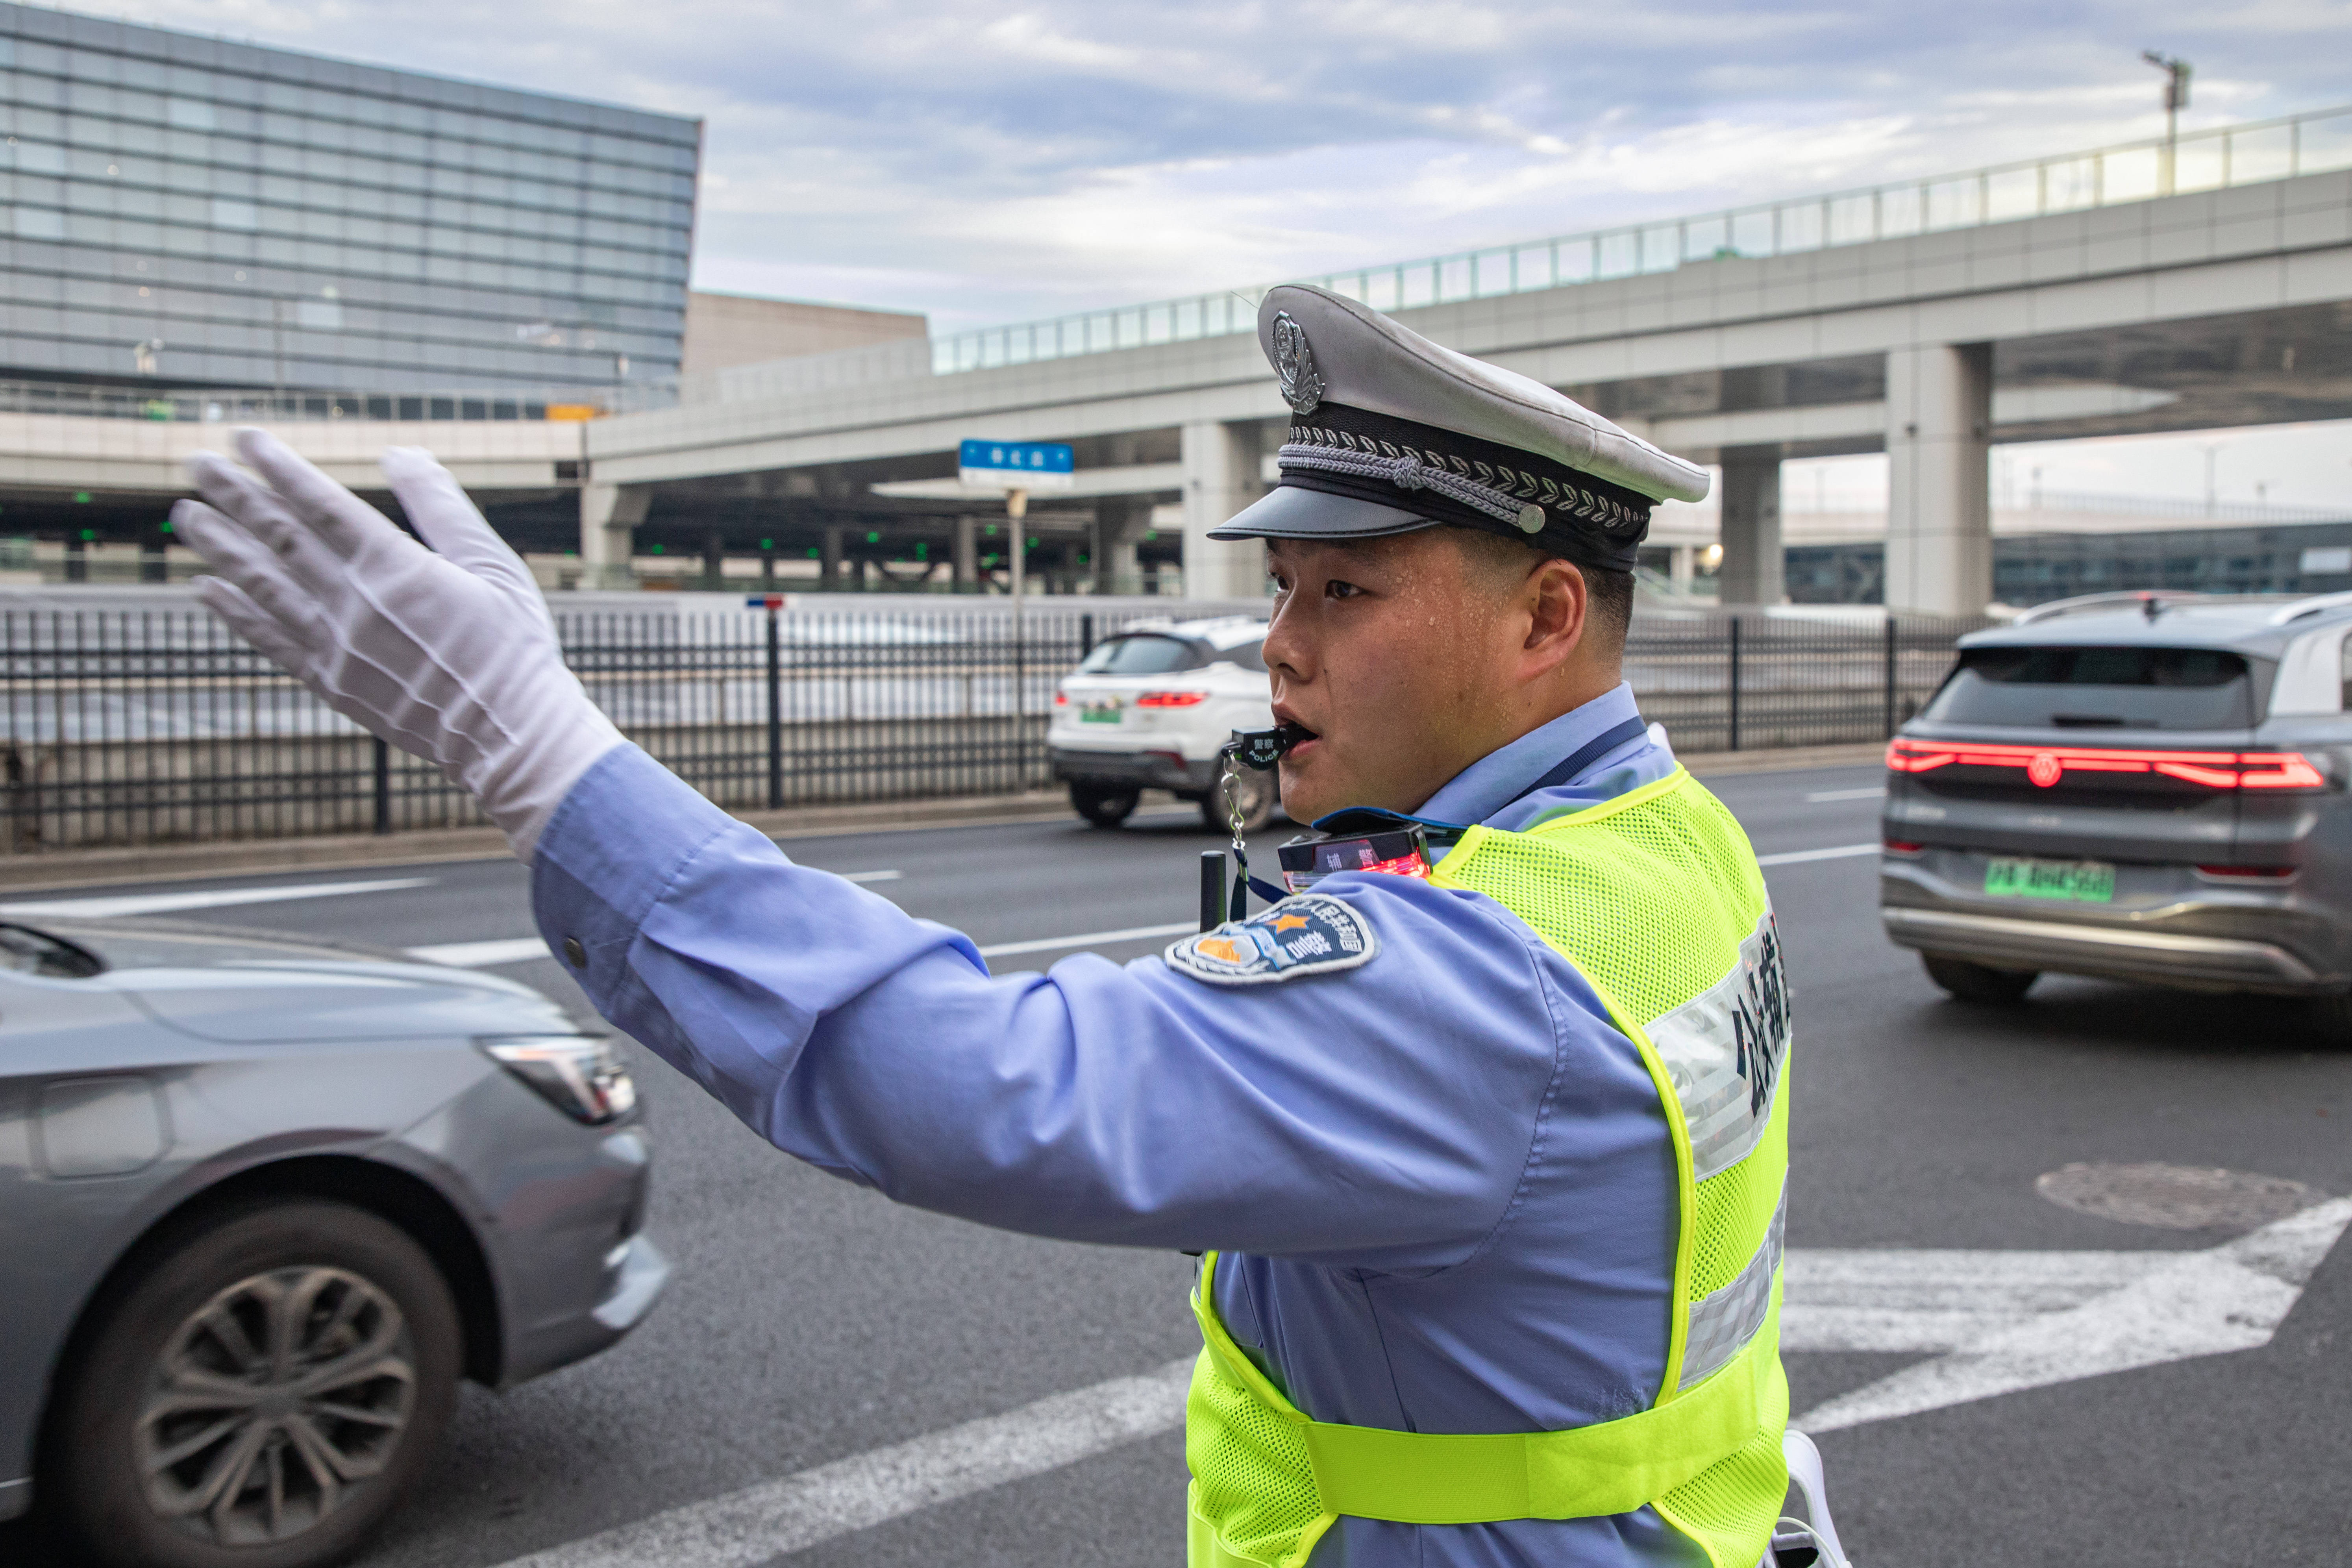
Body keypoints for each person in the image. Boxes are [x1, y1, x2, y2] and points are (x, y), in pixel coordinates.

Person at [172, 282, 1806, 1568]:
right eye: (1286, 588)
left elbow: (979, 1076)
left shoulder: (1482, 983)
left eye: (1344, 595)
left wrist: (543, 758)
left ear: (1547, 616)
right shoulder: (1670, 844)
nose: (1279, 648)